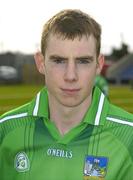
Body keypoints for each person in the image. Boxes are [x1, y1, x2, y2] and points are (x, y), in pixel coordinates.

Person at [0, 9, 133, 180]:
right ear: (41, 63)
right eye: (59, 61)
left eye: (83, 61)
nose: (71, 76)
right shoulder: (5, 131)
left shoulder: (129, 137)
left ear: (99, 65)